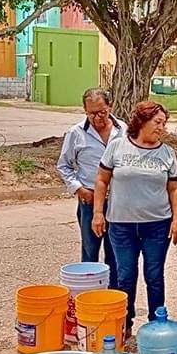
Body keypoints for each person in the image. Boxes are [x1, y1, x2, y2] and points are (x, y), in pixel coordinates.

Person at [93, 101, 177, 332]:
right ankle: (124, 324)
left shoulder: (167, 153)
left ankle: (157, 324)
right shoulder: (117, 146)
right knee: (125, 275)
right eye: (158, 122)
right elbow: (102, 180)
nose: (162, 127)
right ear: (142, 121)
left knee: (154, 275)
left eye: (164, 123)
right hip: (121, 225)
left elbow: (174, 188)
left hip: (157, 225)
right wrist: (98, 213)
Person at [56, 87, 125, 286]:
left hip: (118, 202)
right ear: (85, 111)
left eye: (102, 112)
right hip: (89, 200)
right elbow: (64, 165)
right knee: (90, 251)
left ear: (110, 107)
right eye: (91, 113)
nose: (97, 118)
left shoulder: (124, 130)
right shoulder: (76, 133)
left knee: (116, 253)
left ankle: (113, 297)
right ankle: (88, 293)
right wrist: (78, 189)